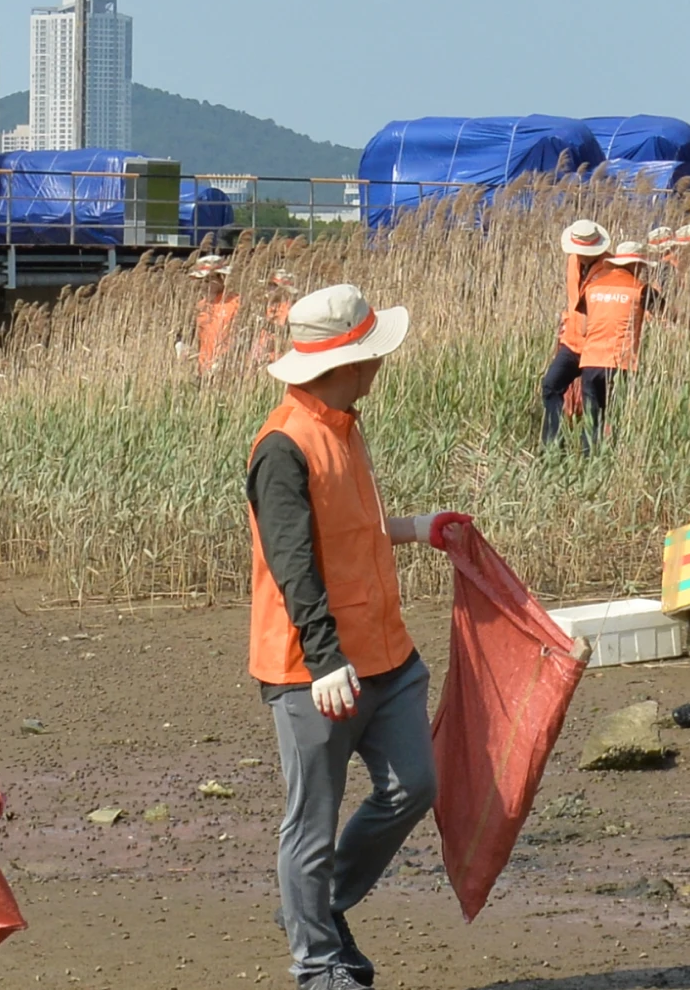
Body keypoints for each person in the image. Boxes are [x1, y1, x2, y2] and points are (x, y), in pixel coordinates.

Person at [247, 282, 467, 990]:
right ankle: (317, 966)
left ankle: (315, 910)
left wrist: (416, 528)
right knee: (310, 824)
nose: (381, 362)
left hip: (386, 654)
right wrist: (324, 660)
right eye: (373, 352)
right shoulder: (282, 446)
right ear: (344, 362)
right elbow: (292, 564)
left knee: (413, 786)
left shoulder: (344, 424)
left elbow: (350, 532)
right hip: (312, 670)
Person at [547, 240, 658, 448]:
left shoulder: (593, 287)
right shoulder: (641, 289)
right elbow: (671, 314)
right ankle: (610, 459)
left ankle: (587, 460)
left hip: (591, 360)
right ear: (637, 265)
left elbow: (584, 328)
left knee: (592, 419)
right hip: (620, 362)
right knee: (614, 417)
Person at [533, 216, 613, 444]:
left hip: (596, 346)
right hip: (571, 341)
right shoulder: (572, 262)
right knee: (550, 385)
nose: (581, 254)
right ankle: (552, 446)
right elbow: (572, 300)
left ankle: (591, 454)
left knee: (592, 402)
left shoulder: (610, 269)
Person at [189, 256, 244, 374]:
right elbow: (190, 334)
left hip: (231, 369)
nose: (204, 285)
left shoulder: (236, 302)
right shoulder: (200, 306)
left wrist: (226, 359)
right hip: (204, 370)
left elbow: (245, 335)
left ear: (221, 279)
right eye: (201, 281)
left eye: (208, 280)